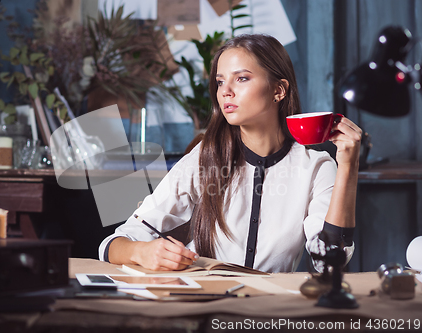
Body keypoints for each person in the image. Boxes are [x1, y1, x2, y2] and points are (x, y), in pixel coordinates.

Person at [99, 34, 362, 273]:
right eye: (220, 81)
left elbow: (328, 261)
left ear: (278, 90)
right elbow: (112, 244)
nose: (225, 91)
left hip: (270, 313)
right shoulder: (204, 157)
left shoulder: (316, 166)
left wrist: (348, 165)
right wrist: (141, 251)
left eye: (242, 78)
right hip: (203, 306)